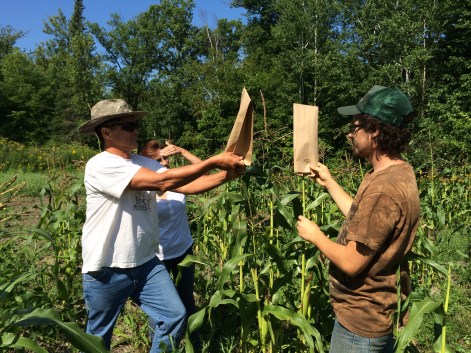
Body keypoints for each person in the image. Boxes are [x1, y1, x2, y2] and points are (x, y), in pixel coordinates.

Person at [77, 99, 245, 352]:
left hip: (145, 263)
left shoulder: (143, 162)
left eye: (136, 125)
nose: (136, 131)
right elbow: (161, 183)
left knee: (175, 315)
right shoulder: (100, 164)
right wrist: (212, 162)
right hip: (107, 267)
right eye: (128, 126)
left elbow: (185, 185)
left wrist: (225, 175)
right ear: (107, 132)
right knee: (98, 339)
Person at [296, 85, 420, 353]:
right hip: (377, 315)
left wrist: (315, 235)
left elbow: (352, 264)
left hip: (360, 325)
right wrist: (330, 183)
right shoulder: (398, 173)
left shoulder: (384, 189)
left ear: (375, 130)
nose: (350, 135)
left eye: (355, 127)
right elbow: (368, 224)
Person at [139, 140, 206, 349]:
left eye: (166, 157)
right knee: (160, 309)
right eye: (158, 160)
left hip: (184, 251)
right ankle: (160, 345)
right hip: (156, 257)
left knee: (187, 298)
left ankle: (195, 341)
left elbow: (203, 172)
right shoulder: (143, 189)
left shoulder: (177, 182)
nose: (165, 162)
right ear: (147, 164)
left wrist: (183, 150)